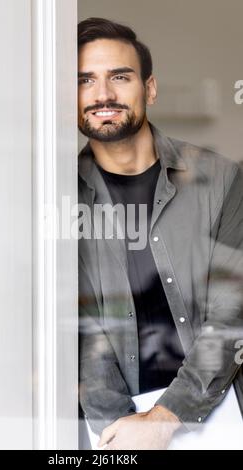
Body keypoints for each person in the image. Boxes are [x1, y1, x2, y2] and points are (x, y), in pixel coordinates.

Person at [78, 17, 243, 450]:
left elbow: (233, 313)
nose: (103, 94)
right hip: (112, 430)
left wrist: (165, 418)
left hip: (221, 414)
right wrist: (120, 430)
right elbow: (75, 332)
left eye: (120, 76)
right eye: (85, 80)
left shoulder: (223, 180)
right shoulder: (54, 195)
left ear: (149, 88)